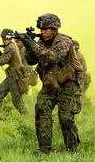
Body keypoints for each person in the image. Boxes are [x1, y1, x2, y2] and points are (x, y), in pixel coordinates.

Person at [18, 13, 83, 153]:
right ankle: (45, 149)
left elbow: (52, 57)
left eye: (46, 29)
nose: (43, 32)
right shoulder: (40, 43)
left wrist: (31, 43)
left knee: (65, 118)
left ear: (54, 29)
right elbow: (30, 60)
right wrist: (29, 46)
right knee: (41, 110)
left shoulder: (64, 41)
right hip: (50, 84)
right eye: (42, 29)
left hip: (68, 84)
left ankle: (73, 150)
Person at [0, 29, 29, 115]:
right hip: (12, 77)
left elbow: (1, 61)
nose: (4, 41)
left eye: (6, 39)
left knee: (16, 101)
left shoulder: (10, 47)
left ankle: (25, 115)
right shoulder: (13, 45)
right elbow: (7, 59)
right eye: (4, 39)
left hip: (14, 77)